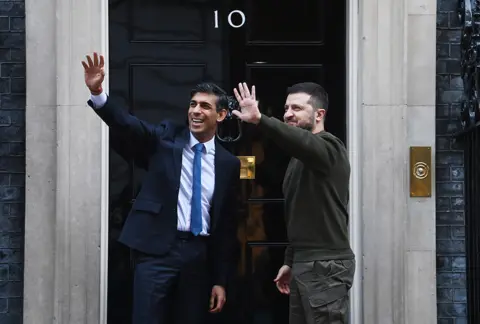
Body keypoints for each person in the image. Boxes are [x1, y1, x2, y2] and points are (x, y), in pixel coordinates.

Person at [81, 52, 241, 324]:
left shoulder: (228, 163)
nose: (196, 111)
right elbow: (128, 125)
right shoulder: (166, 138)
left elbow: (225, 227)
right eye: (193, 104)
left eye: (205, 106)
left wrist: (220, 280)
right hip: (157, 252)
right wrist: (98, 94)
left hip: (198, 256)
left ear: (221, 114)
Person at [232, 82, 355, 324]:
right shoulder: (298, 160)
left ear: (319, 114)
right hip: (304, 263)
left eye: (297, 108)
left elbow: (304, 143)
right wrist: (290, 261)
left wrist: (261, 119)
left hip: (325, 267)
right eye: (286, 108)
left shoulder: (329, 149)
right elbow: (300, 216)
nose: (288, 113)